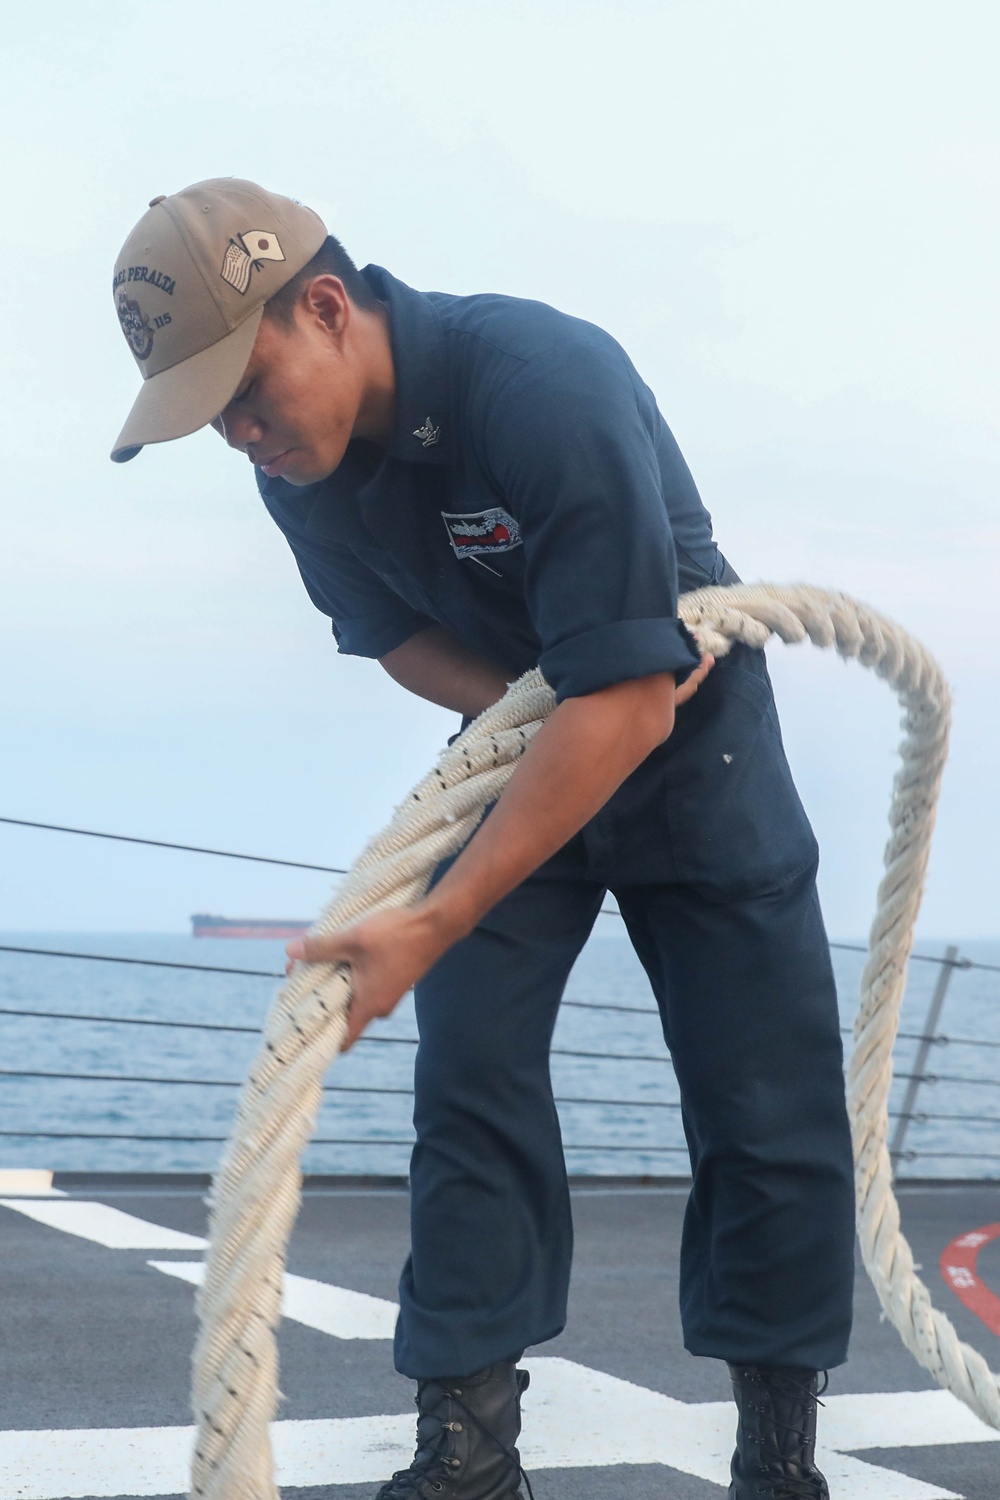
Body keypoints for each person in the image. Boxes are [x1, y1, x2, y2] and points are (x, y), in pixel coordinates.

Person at [110, 178, 856, 1500]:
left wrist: (467, 873)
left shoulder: (540, 383)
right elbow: (400, 642)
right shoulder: (303, 474)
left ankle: (779, 1454)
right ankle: (467, 1454)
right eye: (204, 411)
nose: (234, 432)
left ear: (328, 309)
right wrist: (530, 714)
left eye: (242, 385)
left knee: (763, 1103)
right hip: (531, 729)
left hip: (694, 727)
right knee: (469, 1070)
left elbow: (634, 700)